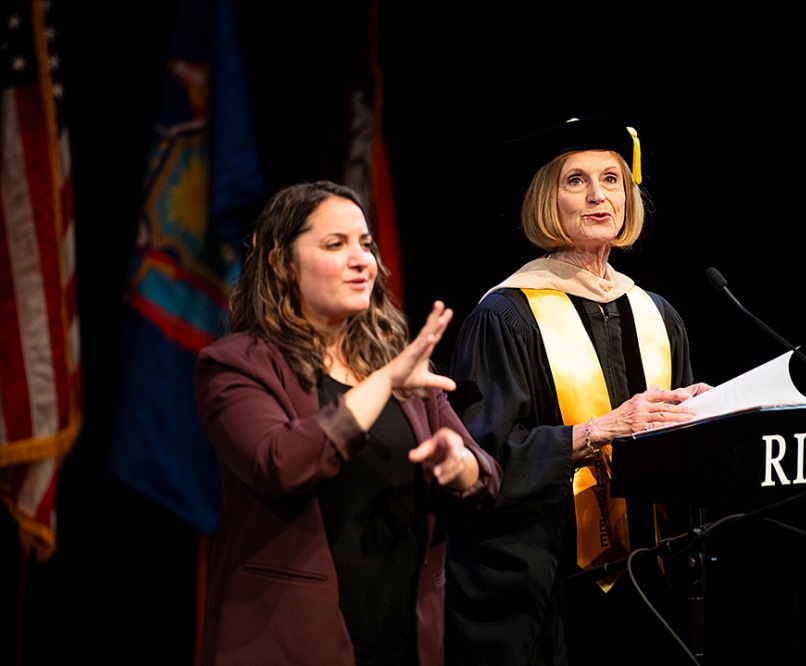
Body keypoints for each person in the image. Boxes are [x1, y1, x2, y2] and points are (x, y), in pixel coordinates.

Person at [194, 180, 501, 666]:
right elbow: (280, 464)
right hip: (287, 642)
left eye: (365, 244)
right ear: (280, 262)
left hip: (405, 641)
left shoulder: (396, 364)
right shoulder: (237, 364)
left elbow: (484, 478)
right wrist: (383, 381)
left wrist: (460, 466)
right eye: (335, 245)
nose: (361, 259)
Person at [444, 116, 712, 665]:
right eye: (575, 180)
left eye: (612, 179)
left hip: (651, 583)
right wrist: (595, 433)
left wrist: (706, 420)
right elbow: (477, 462)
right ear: (548, 198)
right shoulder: (506, 316)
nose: (598, 195)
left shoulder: (658, 315)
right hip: (544, 591)